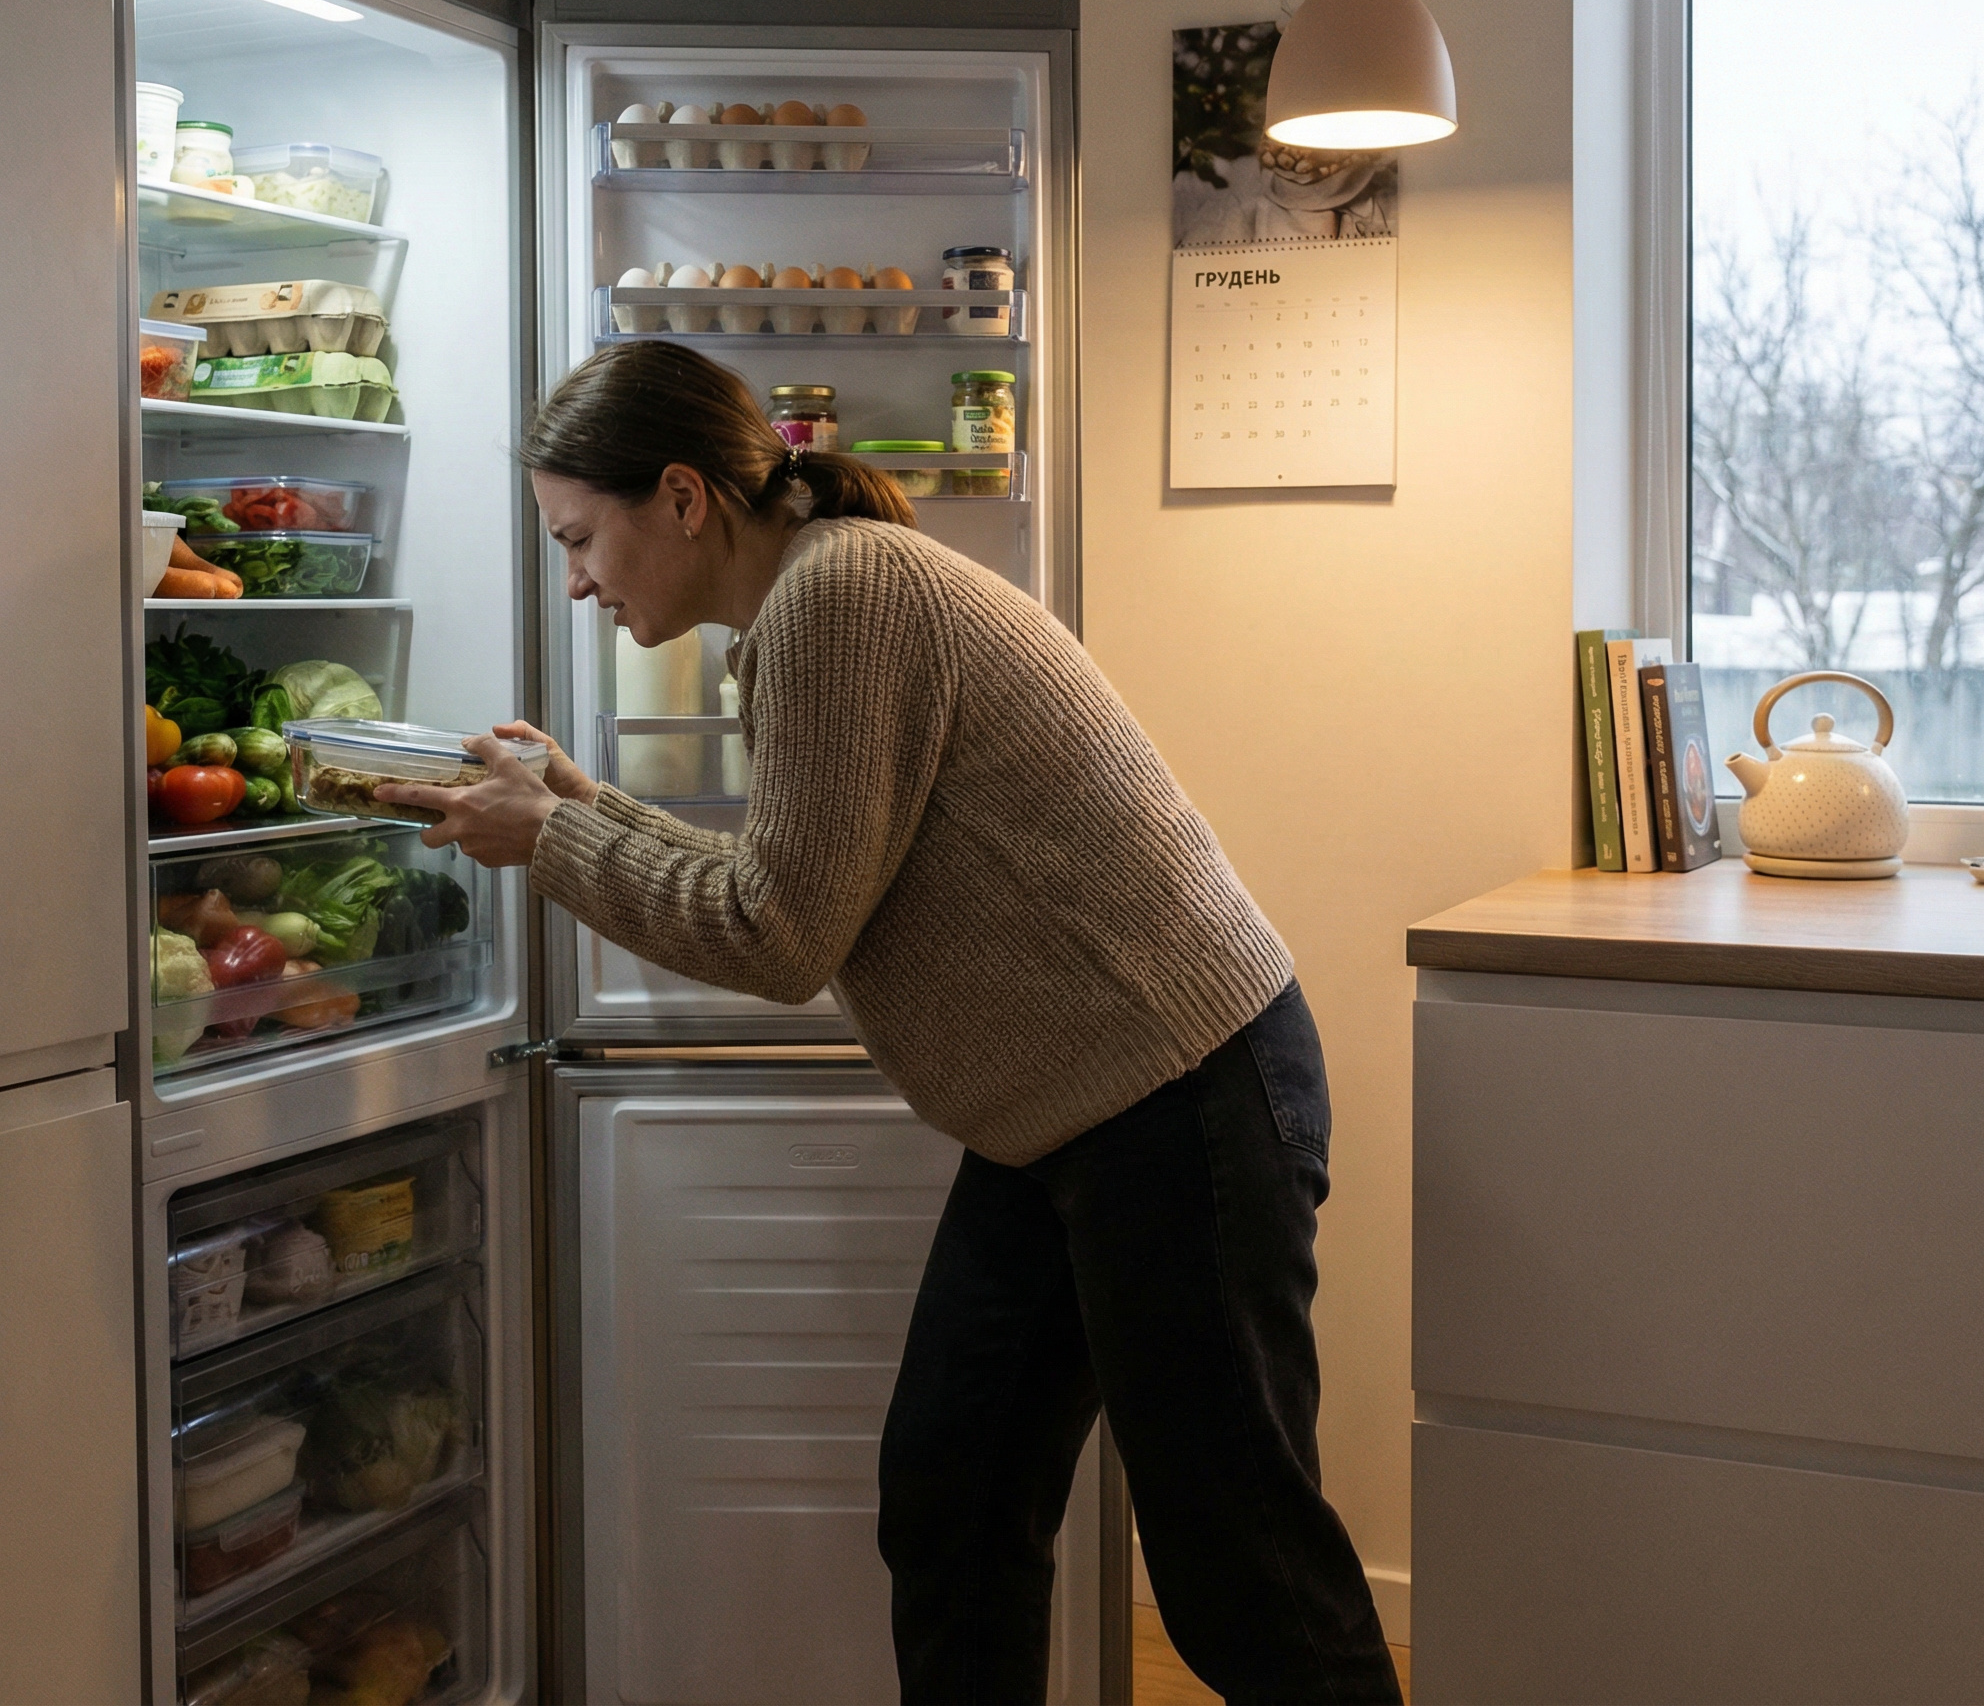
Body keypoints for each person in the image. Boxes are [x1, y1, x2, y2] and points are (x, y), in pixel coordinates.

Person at [382, 341, 1403, 1705]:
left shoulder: (841, 597)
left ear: (681, 496)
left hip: (1179, 1098)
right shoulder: (815, 593)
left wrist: (553, 841)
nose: (576, 580)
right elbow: (791, 880)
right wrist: (579, 804)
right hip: (1064, 1122)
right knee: (953, 1505)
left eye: (580, 538)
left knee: (1244, 1573)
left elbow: (776, 935)